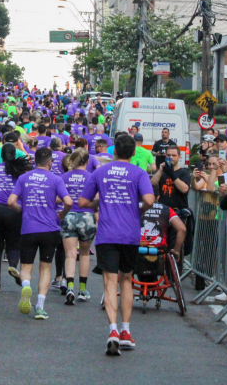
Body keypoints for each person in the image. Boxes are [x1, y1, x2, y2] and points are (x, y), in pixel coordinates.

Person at [79, 133, 155, 355]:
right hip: (130, 234)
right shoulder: (139, 172)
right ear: (133, 153)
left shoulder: (100, 172)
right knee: (126, 280)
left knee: (109, 281)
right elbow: (149, 200)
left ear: (114, 152)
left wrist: (100, 201)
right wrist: (137, 209)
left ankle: (112, 329)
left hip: (106, 234)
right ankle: (126, 332)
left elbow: (83, 201)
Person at [8, 147, 72, 320]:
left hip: (29, 228)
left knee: (26, 266)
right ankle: (40, 307)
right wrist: (61, 214)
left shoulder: (23, 178)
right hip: (50, 229)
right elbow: (69, 201)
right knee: (45, 268)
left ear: (35, 161)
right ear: (50, 162)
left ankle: (26, 285)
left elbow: (10, 201)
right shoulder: (56, 179)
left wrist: (22, 210)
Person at [0, 143, 32, 292]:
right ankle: (12, 266)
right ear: (15, 155)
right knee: (13, 244)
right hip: (14, 210)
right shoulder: (21, 171)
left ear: (1, 156)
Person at [59, 149, 96, 304]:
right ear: (87, 162)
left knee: (70, 255)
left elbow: (56, 198)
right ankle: (82, 289)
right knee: (85, 254)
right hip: (87, 217)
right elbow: (98, 198)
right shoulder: (92, 177)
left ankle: (69, 287)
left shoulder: (63, 177)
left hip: (68, 216)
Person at [151, 146, 191, 212]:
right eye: (168, 155)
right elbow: (152, 183)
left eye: (174, 155)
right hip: (163, 209)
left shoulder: (184, 172)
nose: (171, 157)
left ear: (179, 156)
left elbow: (184, 189)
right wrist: (160, 171)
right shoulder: (162, 172)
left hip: (178, 210)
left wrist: (171, 173)